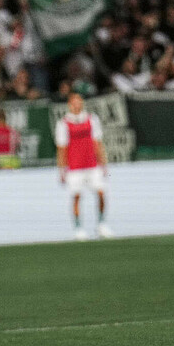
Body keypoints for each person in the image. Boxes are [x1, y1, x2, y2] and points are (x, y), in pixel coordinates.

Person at [54, 92, 112, 240]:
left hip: (92, 164)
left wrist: (103, 163)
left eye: (79, 102)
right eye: (74, 102)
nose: (77, 105)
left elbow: (97, 142)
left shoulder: (92, 119)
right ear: (69, 105)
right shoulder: (63, 124)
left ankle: (101, 224)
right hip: (75, 167)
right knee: (77, 196)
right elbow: (62, 148)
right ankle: (78, 228)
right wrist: (61, 169)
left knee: (101, 193)